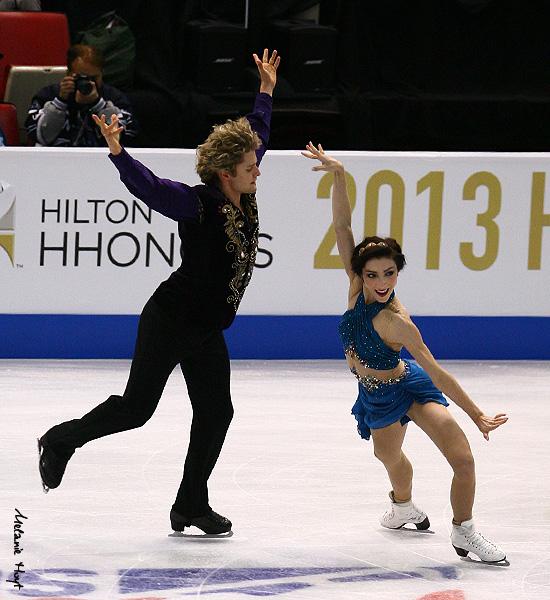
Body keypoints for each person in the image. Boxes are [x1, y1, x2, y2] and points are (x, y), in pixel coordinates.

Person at [37, 49, 280, 535]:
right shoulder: (198, 204)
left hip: (206, 326)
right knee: (136, 409)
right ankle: (60, 440)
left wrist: (267, 89)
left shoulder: (243, 189)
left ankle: (190, 504)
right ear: (225, 172)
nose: (259, 170)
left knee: (216, 412)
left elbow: (259, 131)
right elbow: (150, 189)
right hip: (172, 318)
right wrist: (119, 154)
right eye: (251, 166)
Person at [302, 142, 508, 563]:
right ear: (359, 273)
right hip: (376, 396)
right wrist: (338, 174)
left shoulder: (398, 322)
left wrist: (476, 414)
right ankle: (402, 508)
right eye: (373, 273)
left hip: (409, 384)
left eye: (390, 273)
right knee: (391, 458)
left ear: (399, 271)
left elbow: (435, 370)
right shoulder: (357, 290)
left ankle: (464, 530)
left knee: (463, 458)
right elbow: (343, 226)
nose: (382, 282)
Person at [25, 44, 138, 147]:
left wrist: (98, 105)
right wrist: (60, 103)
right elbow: (39, 137)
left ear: (102, 74)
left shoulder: (115, 98)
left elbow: (123, 137)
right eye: (82, 77)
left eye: (94, 78)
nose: (88, 83)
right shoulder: (47, 96)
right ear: (68, 73)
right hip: (56, 160)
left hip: (102, 161)